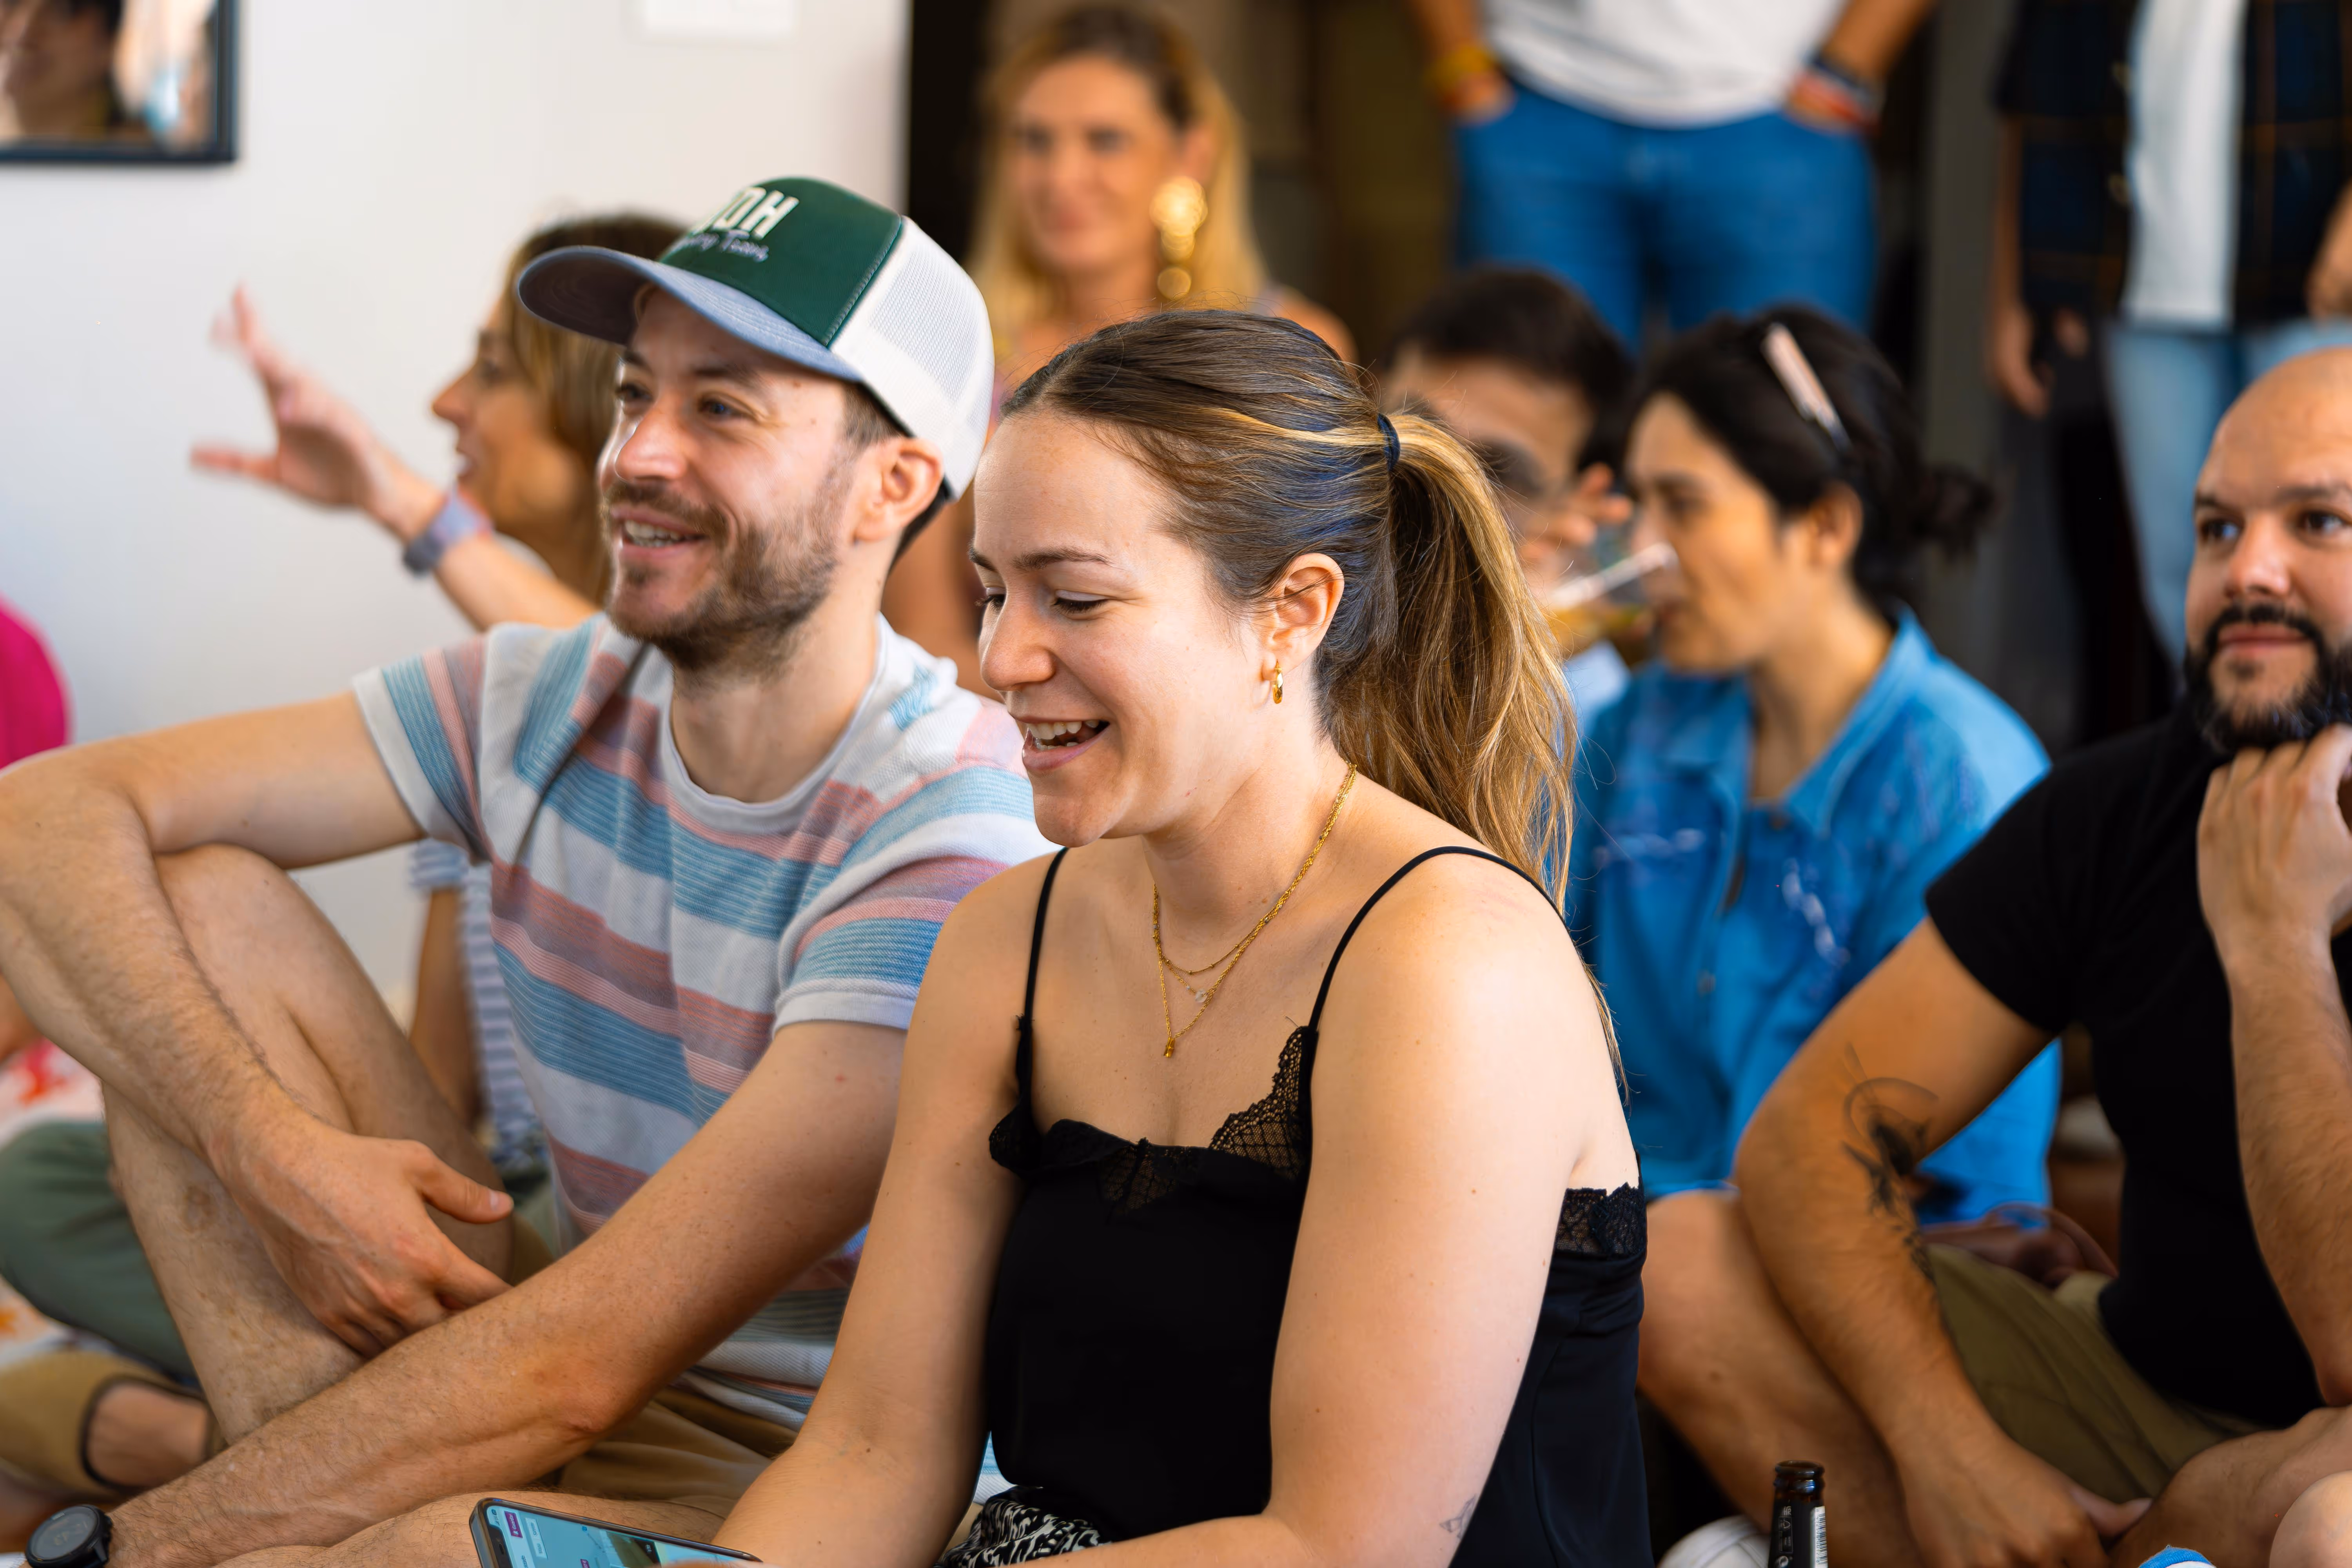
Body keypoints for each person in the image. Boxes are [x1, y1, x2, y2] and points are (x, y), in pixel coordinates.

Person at [0, 174, 1050, 1566]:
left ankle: (240, 1512)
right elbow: (37, 818)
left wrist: (136, 1549)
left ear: (895, 483)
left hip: (796, 1484)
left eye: (719, 409)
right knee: (189, 904)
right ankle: (271, 1509)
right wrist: (274, 1147)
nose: (638, 454)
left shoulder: (950, 823)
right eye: (633, 395)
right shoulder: (537, 694)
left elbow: (586, 1355)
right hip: (546, 1341)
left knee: (400, 1546)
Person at [697, 307, 1646, 1568]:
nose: (997, 657)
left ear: (1290, 610)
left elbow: (1337, 1548)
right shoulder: (1006, 939)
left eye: (1072, 597)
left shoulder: (1449, 962)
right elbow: (874, 1447)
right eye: (990, 592)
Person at [0, 214, 686, 1526]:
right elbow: (438, 1102)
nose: (446, 400)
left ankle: (175, 1447)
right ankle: (260, 1450)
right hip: (514, 1207)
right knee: (49, 1164)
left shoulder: (678, 700)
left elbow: (634, 688)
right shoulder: (478, 718)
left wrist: (398, 496)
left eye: (490, 366)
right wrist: (285, 1161)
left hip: (636, 1274)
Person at [1635, 347, 2352, 1568]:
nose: (2249, 571)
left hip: (2325, 1456)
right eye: (2214, 526)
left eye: (2318, 522)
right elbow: (1805, 1139)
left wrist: (2274, 941)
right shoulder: (2121, 803)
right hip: (2124, 1387)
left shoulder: (1944, 752)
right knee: (1678, 1259)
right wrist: (1944, 1447)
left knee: (2327, 1515)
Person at [1575, 309, 2060, 1559]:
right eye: (1634, 502)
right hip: (1613, 1271)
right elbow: (1545, 1032)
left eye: (1685, 504)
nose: (1647, 551)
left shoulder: (1960, 779)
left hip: (1866, 1295)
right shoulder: (1635, 735)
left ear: (1825, 526)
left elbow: (1960, 1167)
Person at [883, 4, 1354, 696]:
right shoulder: (954, 347)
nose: (1060, 176)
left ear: (1190, 154)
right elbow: (923, 640)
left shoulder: (1293, 344)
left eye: (1105, 140)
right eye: (1034, 141)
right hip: (1008, 743)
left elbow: (1318, 631)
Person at [1987, 0, 2352, 660]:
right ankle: (2217, 758)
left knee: (2327, 560)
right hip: (2144, 292)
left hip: (2316, 284)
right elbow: (2039, 79)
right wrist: (2016, 283)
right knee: (2180, 578)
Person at [1408, 0, 1942, 348]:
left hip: (1778, 116)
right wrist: (1462, 71)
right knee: (1521, 465)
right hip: (1537, 96)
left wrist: (1843, 73)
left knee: (1780, 453)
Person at [1381, 264, 1637, 715]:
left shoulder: (1599, 728)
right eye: (1415, 436)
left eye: (1496, 471)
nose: (1437, 485)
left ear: (1584, 506)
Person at [0, 0, 132, 142]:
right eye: (11, 2)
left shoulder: (139, 158)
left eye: (60, 11)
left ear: (112, 42)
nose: (22, 32)